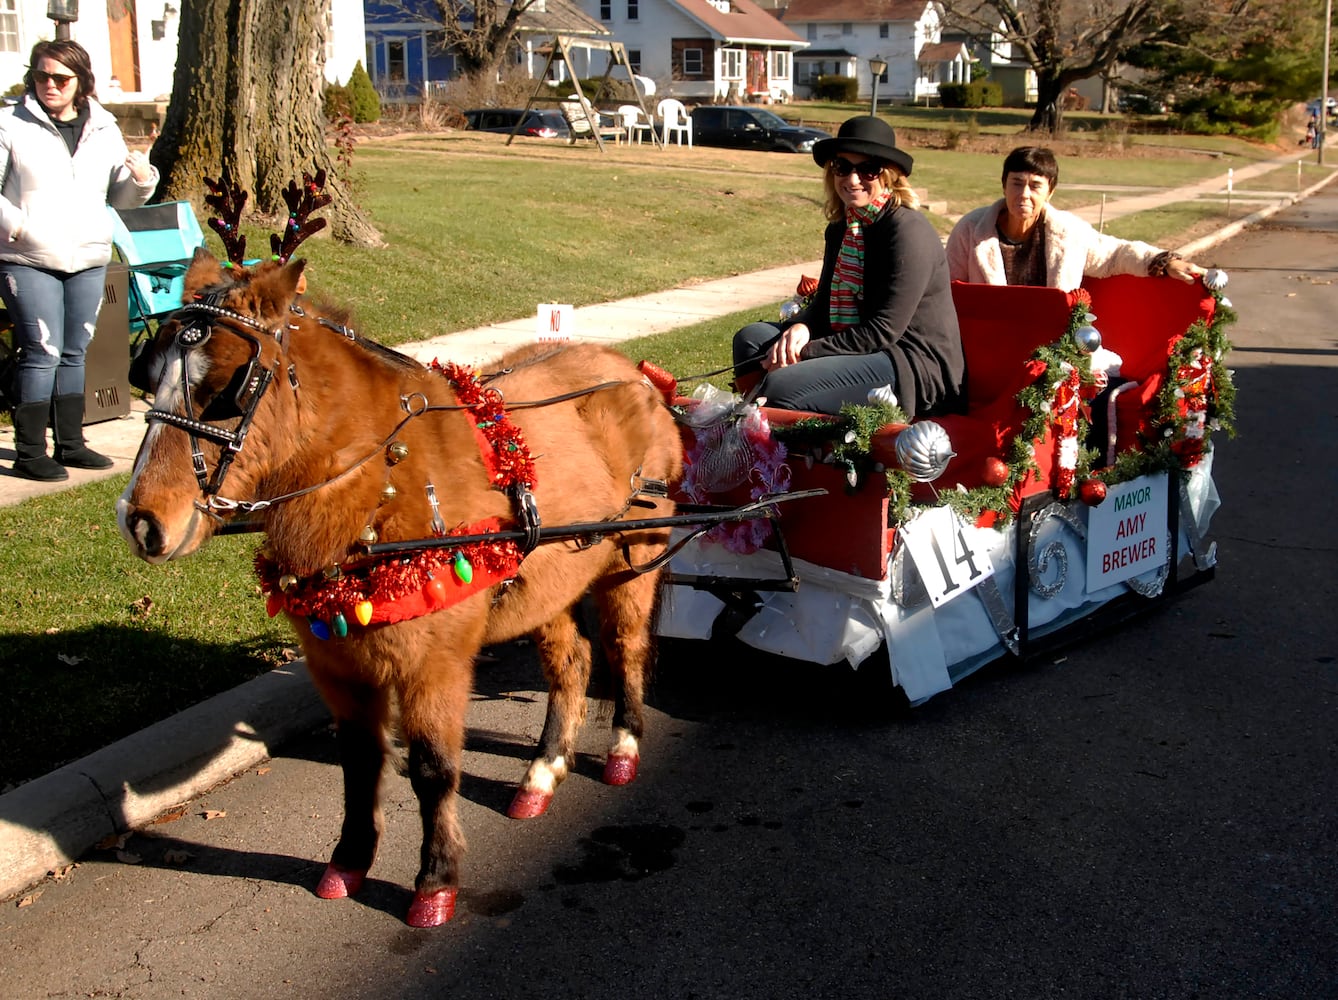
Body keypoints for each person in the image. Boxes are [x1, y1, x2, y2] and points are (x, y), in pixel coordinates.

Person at [731, 116, 964, 419]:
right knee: (750, 341)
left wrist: (804, 351)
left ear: (889, 176)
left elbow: (883, 331)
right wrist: (803, 326)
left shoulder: (907, 231)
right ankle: (753, 432)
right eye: (843, 167)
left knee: (783, 383)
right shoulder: (844, 227)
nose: (853, 179)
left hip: (910, 362)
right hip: (860, 344)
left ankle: (786, 453)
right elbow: (825, 303)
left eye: (868, 169)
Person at [0, 39, 157, 481]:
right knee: (41, 352)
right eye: (40, 75)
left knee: (75, 352)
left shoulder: (104, 127)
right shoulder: (11, 123)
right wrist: (20, 228)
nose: (49, 85)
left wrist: (143, 179)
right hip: (27, 257)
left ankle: (71, 443)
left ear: (81, 82)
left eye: (60, 78)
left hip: (87, 256)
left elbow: (120, 197)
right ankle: (31, 452)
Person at [946, 145, 1205, 290]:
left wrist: (1165, 261)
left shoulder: (1068, 232)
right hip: (989, 342)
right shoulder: (971, 230)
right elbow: (948, 289)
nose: (1024, 194)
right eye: (1016, 183)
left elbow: (1115, 254)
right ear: (1004, 186)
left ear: (1050, 191)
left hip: (1054, 350)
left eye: (1035, 186)